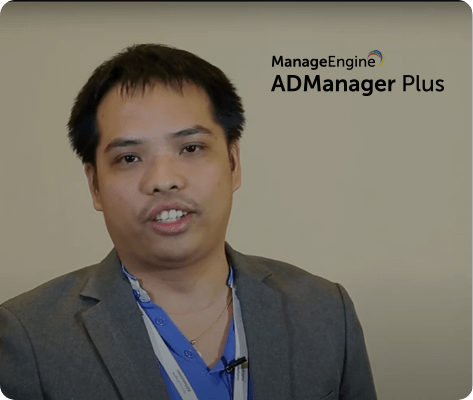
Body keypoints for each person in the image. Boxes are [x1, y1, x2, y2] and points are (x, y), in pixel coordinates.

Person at [0, 44, 377, 400]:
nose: (163, 180)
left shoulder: (325, 311)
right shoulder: (26, 337)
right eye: (129, 158)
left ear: (233, 162)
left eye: (191, 148)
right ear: (95, 185)